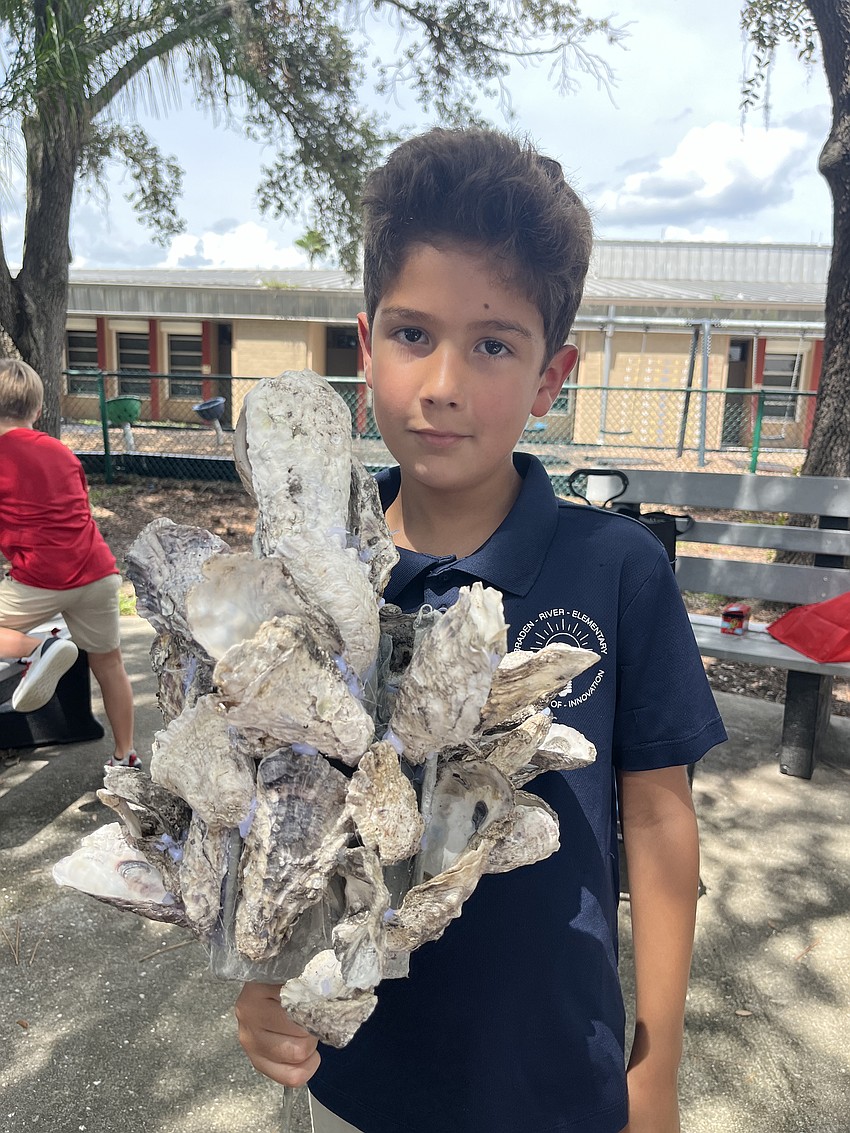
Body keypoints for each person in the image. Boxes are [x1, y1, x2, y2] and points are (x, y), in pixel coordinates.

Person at [235, 127, 727, 1133]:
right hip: (360, 1082)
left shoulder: (618, 569)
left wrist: (657, 1064)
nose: (445, 380)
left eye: (493, 343)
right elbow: (269, 816)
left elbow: (663, 820)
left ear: (551, 376)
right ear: (365, 347)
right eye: (413, 334)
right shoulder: (306, 569)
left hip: (557, 1076)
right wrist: (261, 984)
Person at [0, 358, 139, 768]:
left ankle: (37, 648)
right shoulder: (61, 452)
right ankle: (125, 755)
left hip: (41, 578)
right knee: (109, 661)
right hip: (97, 571)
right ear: (39, 410)